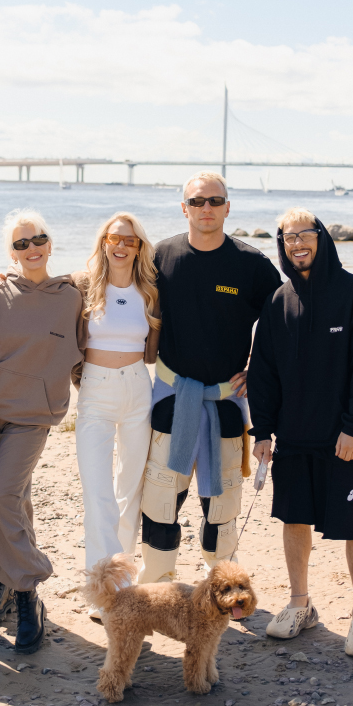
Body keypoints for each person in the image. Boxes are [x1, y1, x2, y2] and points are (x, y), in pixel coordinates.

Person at [247, 207, 353, 658]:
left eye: (305, 235)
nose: (297, 244)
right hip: (293, 437)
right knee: (294, 520)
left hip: (344, 439)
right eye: (288, 238)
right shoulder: (278, 301)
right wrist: (263, 432)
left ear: (322, 238)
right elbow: (263, 373)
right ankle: (300, 604)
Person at [138, 171, 282, 583]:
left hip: (227, 401)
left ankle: (221, 582)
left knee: (222, 505)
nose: (206, 209)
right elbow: (112, 289)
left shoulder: (252, 265)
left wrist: (260, 367)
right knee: (162, 500)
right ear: (184, 208)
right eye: (198, 202)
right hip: (172, 396)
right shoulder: (160, 257)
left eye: (215, 201)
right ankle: (156, 583)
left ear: (228, 208)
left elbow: (285, 320)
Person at [0, 210, 86, 652]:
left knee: (2, 497)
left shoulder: (72, 296)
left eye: (38, 239)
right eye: (20, 243)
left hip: (33, 416)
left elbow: (88, 351)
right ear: (10, 253)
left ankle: (27, 591)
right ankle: (0, 580)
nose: (31, 248)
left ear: (50, 244)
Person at [73, 212, 160, 620]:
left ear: (139, 247)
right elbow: (39, 291)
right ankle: (100, 585)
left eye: (130, 240)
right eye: (114, 238)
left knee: (130, 487)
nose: (121, 245)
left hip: (137, 387)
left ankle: (122, 584)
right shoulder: (83, 285)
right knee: (97, 490)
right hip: (95, 390)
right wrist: (6, 276)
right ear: (104, 242)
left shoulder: (150, 291)